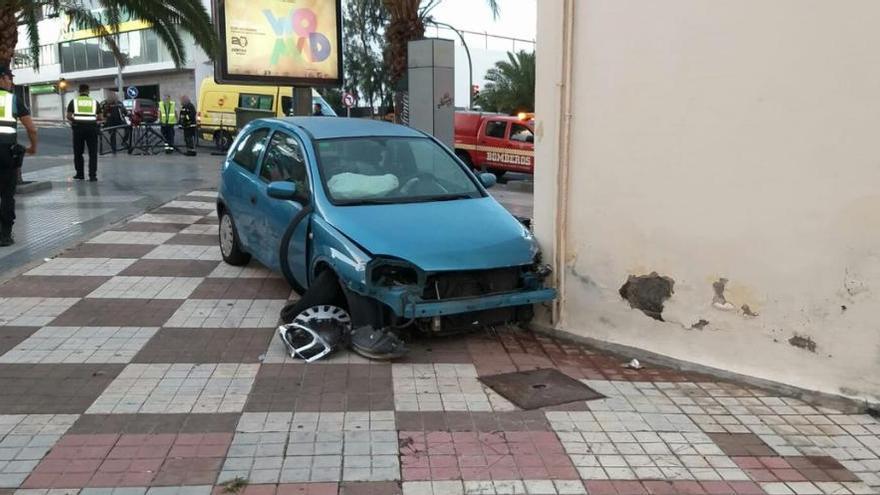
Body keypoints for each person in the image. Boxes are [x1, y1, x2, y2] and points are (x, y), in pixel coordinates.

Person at [0, 66, 38, 246]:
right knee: (7, 194)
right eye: (9, 78)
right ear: (1, 78)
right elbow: (31, 128)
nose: (11, 82)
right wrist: (32, 147)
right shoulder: (12, 100)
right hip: (5, 154)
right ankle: (5, 235)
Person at [66, 84, 101, 181]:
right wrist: (92, 118)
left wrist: (75, 120)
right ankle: (92, 175)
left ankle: (80, 174)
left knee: (78, 152)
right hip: (92, 128)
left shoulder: (74, 102)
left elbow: (68, 116)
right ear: (88, 91)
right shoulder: (95, 102)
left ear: (79, 91)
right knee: (93, 153)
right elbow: (100, 117)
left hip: (78, 129)